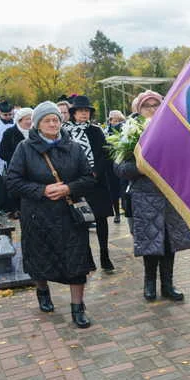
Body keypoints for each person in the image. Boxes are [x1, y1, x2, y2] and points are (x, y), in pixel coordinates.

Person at [6, 101, 96, 328]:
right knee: (39, 258)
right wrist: (41, 190)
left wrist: (68, 188)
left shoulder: (73, 147)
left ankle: (78, 307)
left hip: (69, 214)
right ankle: (42, 291)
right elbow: (13, 181)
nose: (53, 123)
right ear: (37, 124)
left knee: (77, 261)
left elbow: (89, 178)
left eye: (56, 119)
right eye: (47, 120)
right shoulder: (25, 148)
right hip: (38, 215)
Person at [114, 91, 190, 301]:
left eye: (156, 104)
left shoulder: (174, 129)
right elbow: (120, 169)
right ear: (138, 110)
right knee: (150, 243)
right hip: (145, 196)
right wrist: (143, 167)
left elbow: (188, 161)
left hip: (170, 195)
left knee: (170, 242)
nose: (152, 109)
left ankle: (168, 285)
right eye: (146, 106)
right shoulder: (130, 133)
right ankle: (149, 284)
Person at [63, 95, 116, 271]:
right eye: (80, 111)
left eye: (86, 111)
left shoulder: (95, 130)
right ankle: (86, 257)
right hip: (77, 182)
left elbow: (105, 153)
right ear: (74, 114)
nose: (84, 114)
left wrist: (96, 172)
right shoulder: (65, 131)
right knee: (81, 220)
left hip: (97, 182)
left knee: (101, 219)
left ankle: (105, 255)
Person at [0, 107, 33, 218]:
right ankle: (16, 210)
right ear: (19, 120)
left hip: (34, 169)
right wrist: (18, 159)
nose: (29, 122)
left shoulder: (36, 132)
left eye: (31, 119)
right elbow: (2, 153)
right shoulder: (10, 133)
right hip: (16, 169)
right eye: (26, 119)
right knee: (17, 191)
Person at [104, 110, 126, 223]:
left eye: (119, 120)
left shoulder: (125, 130)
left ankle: (124, 209)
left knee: (123, 188)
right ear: (110, 121)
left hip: (122, 162)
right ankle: (117, 213)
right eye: (114, 120)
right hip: (110, 165)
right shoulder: (105, 131)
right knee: (113, 190)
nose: (116, 122)